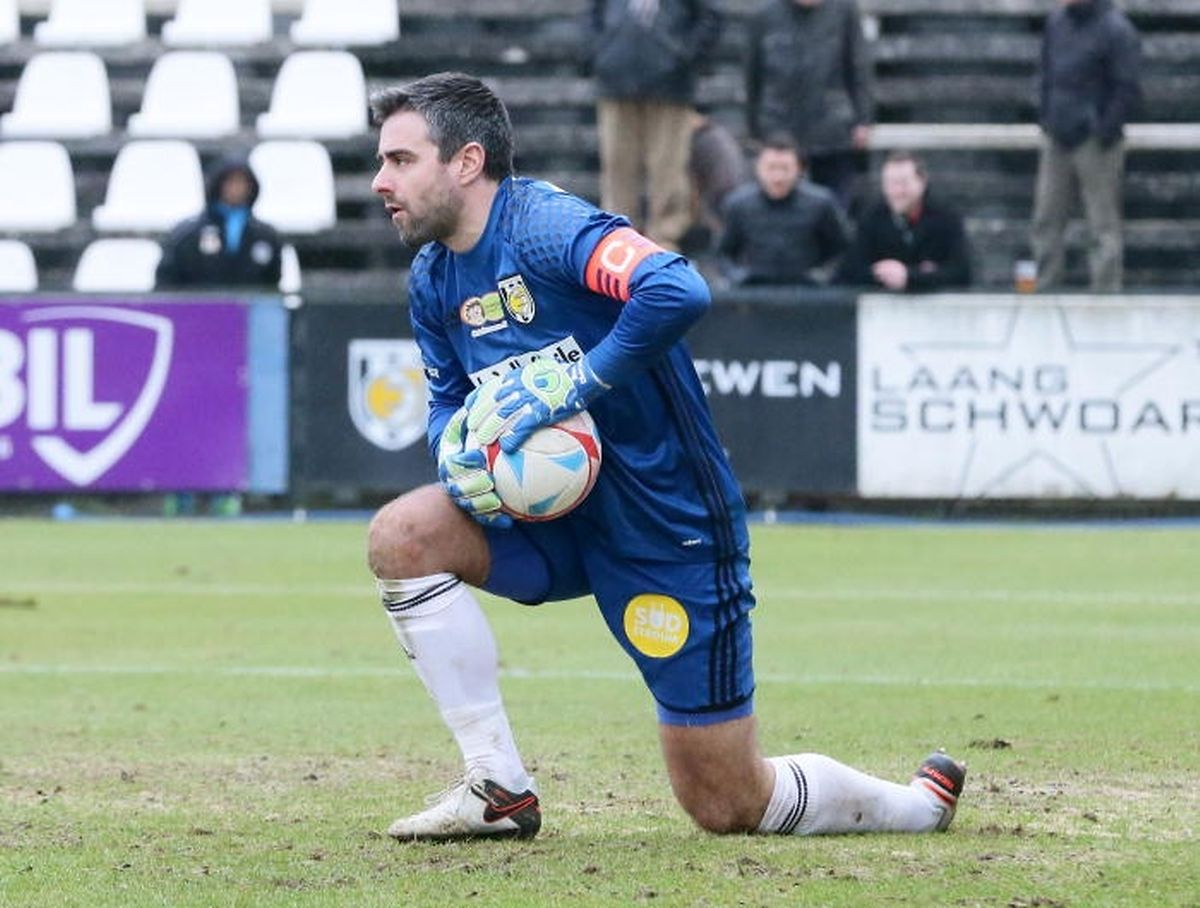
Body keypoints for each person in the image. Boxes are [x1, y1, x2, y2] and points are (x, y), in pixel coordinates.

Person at [367, 71, 965, 841]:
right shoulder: (433, 277)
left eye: (400, 160)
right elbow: (447, 401)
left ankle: (916, 807)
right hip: (546, 519)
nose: (381, 181)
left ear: (467, 161)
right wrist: (456, 459)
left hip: (663, 519)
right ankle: (497, 787)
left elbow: (677, 289)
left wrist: (579, 380)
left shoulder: (547, 227)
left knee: (725, 805)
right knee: (401, 537)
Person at [590, 0, 722, 250]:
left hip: (671, 85)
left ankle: (665, 239)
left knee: (668, 166)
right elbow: (591, 15)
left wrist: (683, 55)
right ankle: (618, 239)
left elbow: (710, 18)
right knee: (618, 165)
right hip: (615, 81)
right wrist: (602, 53)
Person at [1030, 0, 1141, 292]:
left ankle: (1105, 290)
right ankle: (1045, 284)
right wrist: (1046, 116)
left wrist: (1104, 131)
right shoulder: (1056, 23)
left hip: (1095, 140)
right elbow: (1046, 72)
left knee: (1101, 222)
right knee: (1046, 216)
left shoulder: (1117, 29)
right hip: (1057, 134)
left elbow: (1127, 86)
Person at [745, 0, 873, 211]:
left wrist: (863, 119)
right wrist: (754, 129)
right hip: (780, 129)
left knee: (834, 210)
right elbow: (753, 76)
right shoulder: (764, 14)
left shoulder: (844, 10)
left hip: (832, 130)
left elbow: (858, 67)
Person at [717, 134, 850, 286]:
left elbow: (843, 250)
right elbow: (722, 254)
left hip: (806, 292)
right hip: (755, 291)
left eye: (785, 169)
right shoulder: (738, 204)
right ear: (758, 168)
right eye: (771, 168)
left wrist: (821, 276)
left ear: (799, 170)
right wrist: (738, 277)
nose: (778, 177)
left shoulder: (821, 203)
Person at [834, 150, 972, 292]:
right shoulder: (872, 217)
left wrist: (911, 276)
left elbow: (962, 272)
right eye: (890, 183)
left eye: (903, 183)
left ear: (922, 181)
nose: (896, 191)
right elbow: (849, 270)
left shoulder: (946, 218)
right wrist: (884, 274)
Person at [156, 153, 282, 289]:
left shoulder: (266, 235)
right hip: (200, 308)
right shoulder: (188, 234)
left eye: (242, 182)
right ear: (218, 185)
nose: (236, 188)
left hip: (250, 308)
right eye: (230, 182)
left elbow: (272, 281)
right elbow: (168, 279)